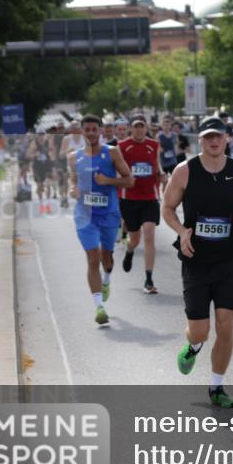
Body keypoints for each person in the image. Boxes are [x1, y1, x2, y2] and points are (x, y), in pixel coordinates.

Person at [163, 116, 233, 409]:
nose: (214, 141)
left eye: (218, 136)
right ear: (200, 140)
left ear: (227, 138)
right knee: (200, 331)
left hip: (229, 261)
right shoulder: (184, 171)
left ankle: (217, 388)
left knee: (225, 326)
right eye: (208, 137)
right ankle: (193, 346)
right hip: (196, 261)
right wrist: (182, 232)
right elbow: (167, 208)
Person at [68, 115, 134, 325]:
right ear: (82, 132)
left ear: (100, 131)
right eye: (86, 129)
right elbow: (73, 182)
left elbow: (130, 181)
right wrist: (73, 190)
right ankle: (99, 307)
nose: (90, 133)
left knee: (107, 257)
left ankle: (106, 280)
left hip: (109, 214)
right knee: (92, 258)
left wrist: (108, 180)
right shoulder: (74, 157)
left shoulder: (112, 152)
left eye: (94, 129)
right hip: (85, 215)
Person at [118, 114, 163, 294]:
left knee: (149, 234)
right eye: (135, 126)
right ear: (131, 128)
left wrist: (161, 175)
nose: (138, 129)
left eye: (141, 126)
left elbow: (157, 166)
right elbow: (117, 170)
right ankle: (129, 250)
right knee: (135, 239)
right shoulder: (122, 146)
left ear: (146, 128)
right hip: (129, 198)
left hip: (150, 198)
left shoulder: (154, 145)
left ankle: (149, 279)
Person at [28, 129, 57, 214]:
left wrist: (52, 160)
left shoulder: (48, 142)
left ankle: (48, 205)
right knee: (39, 187)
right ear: (37, 135)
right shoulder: (34, 143)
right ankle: (41, 204)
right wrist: (35, 154)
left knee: (48, 184)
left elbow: (53, 152)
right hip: (37, 167)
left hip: (47, 166)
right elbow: (28, 155)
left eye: (42, 134)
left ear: (44, 135)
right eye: (39, 134)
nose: (41, 136)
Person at [157, 116, 180, 190]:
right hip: (163, 162)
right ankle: (164, 194)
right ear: (162, 126)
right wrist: (161, 149)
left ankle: (174, 194)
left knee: (175, 180)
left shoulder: (174, 135)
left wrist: (175, 151)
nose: (166, 127)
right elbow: (157, 147)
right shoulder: (159, 136)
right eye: (165, 125)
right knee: (165, 181)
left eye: (168, 125)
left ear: (170, 126)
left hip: (172, 161)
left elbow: (176, 145)